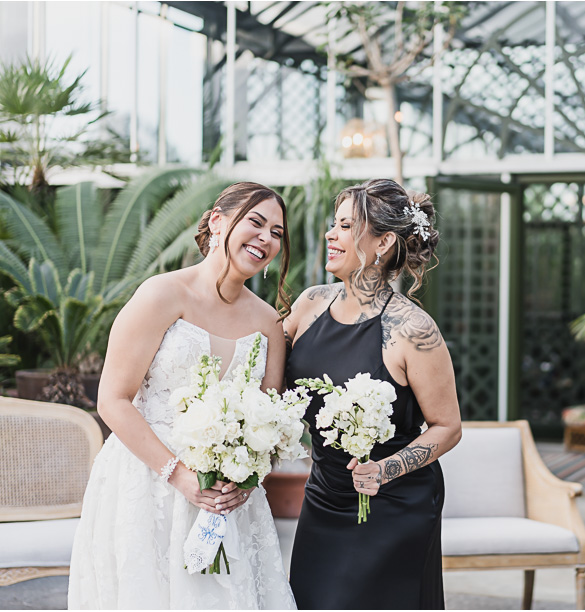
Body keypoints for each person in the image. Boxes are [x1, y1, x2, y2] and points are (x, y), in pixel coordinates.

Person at [68, 183, 297, 609]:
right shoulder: (161, 294)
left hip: (229, 496)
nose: (267, 238)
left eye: (278, 233)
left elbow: (271, 419)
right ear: (217, 222)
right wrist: (180, 476)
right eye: (256, 222)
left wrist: (247, 481)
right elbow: (113, 400)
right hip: (148, 484)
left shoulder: (269, 323)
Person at [285, 179, 461, 609]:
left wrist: (385, 470)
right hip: (324, 494)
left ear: (383, 242)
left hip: (392, 502)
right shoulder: (309, 306)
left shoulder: (411, 328)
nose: (330, 233)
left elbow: (447, 427)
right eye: (334, 223)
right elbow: (262, 374)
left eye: (345, 226)